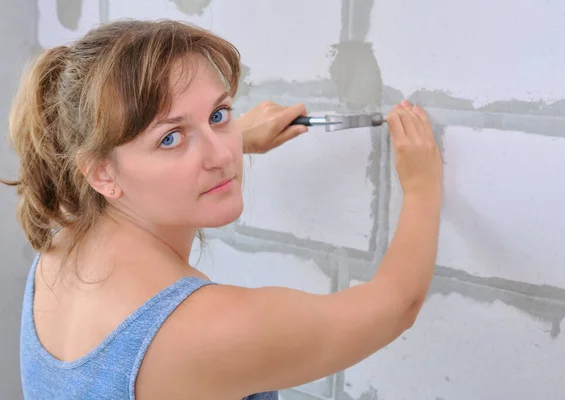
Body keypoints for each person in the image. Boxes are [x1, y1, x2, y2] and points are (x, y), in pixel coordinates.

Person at [2, 19, 442, 399]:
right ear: (102, 175)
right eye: (170, 139)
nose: (222, 157)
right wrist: (422, 187)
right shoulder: (203, 329)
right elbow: (394, 306)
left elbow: (187, 151)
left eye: (218, 115)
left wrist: (230, 134)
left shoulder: (62, 246)